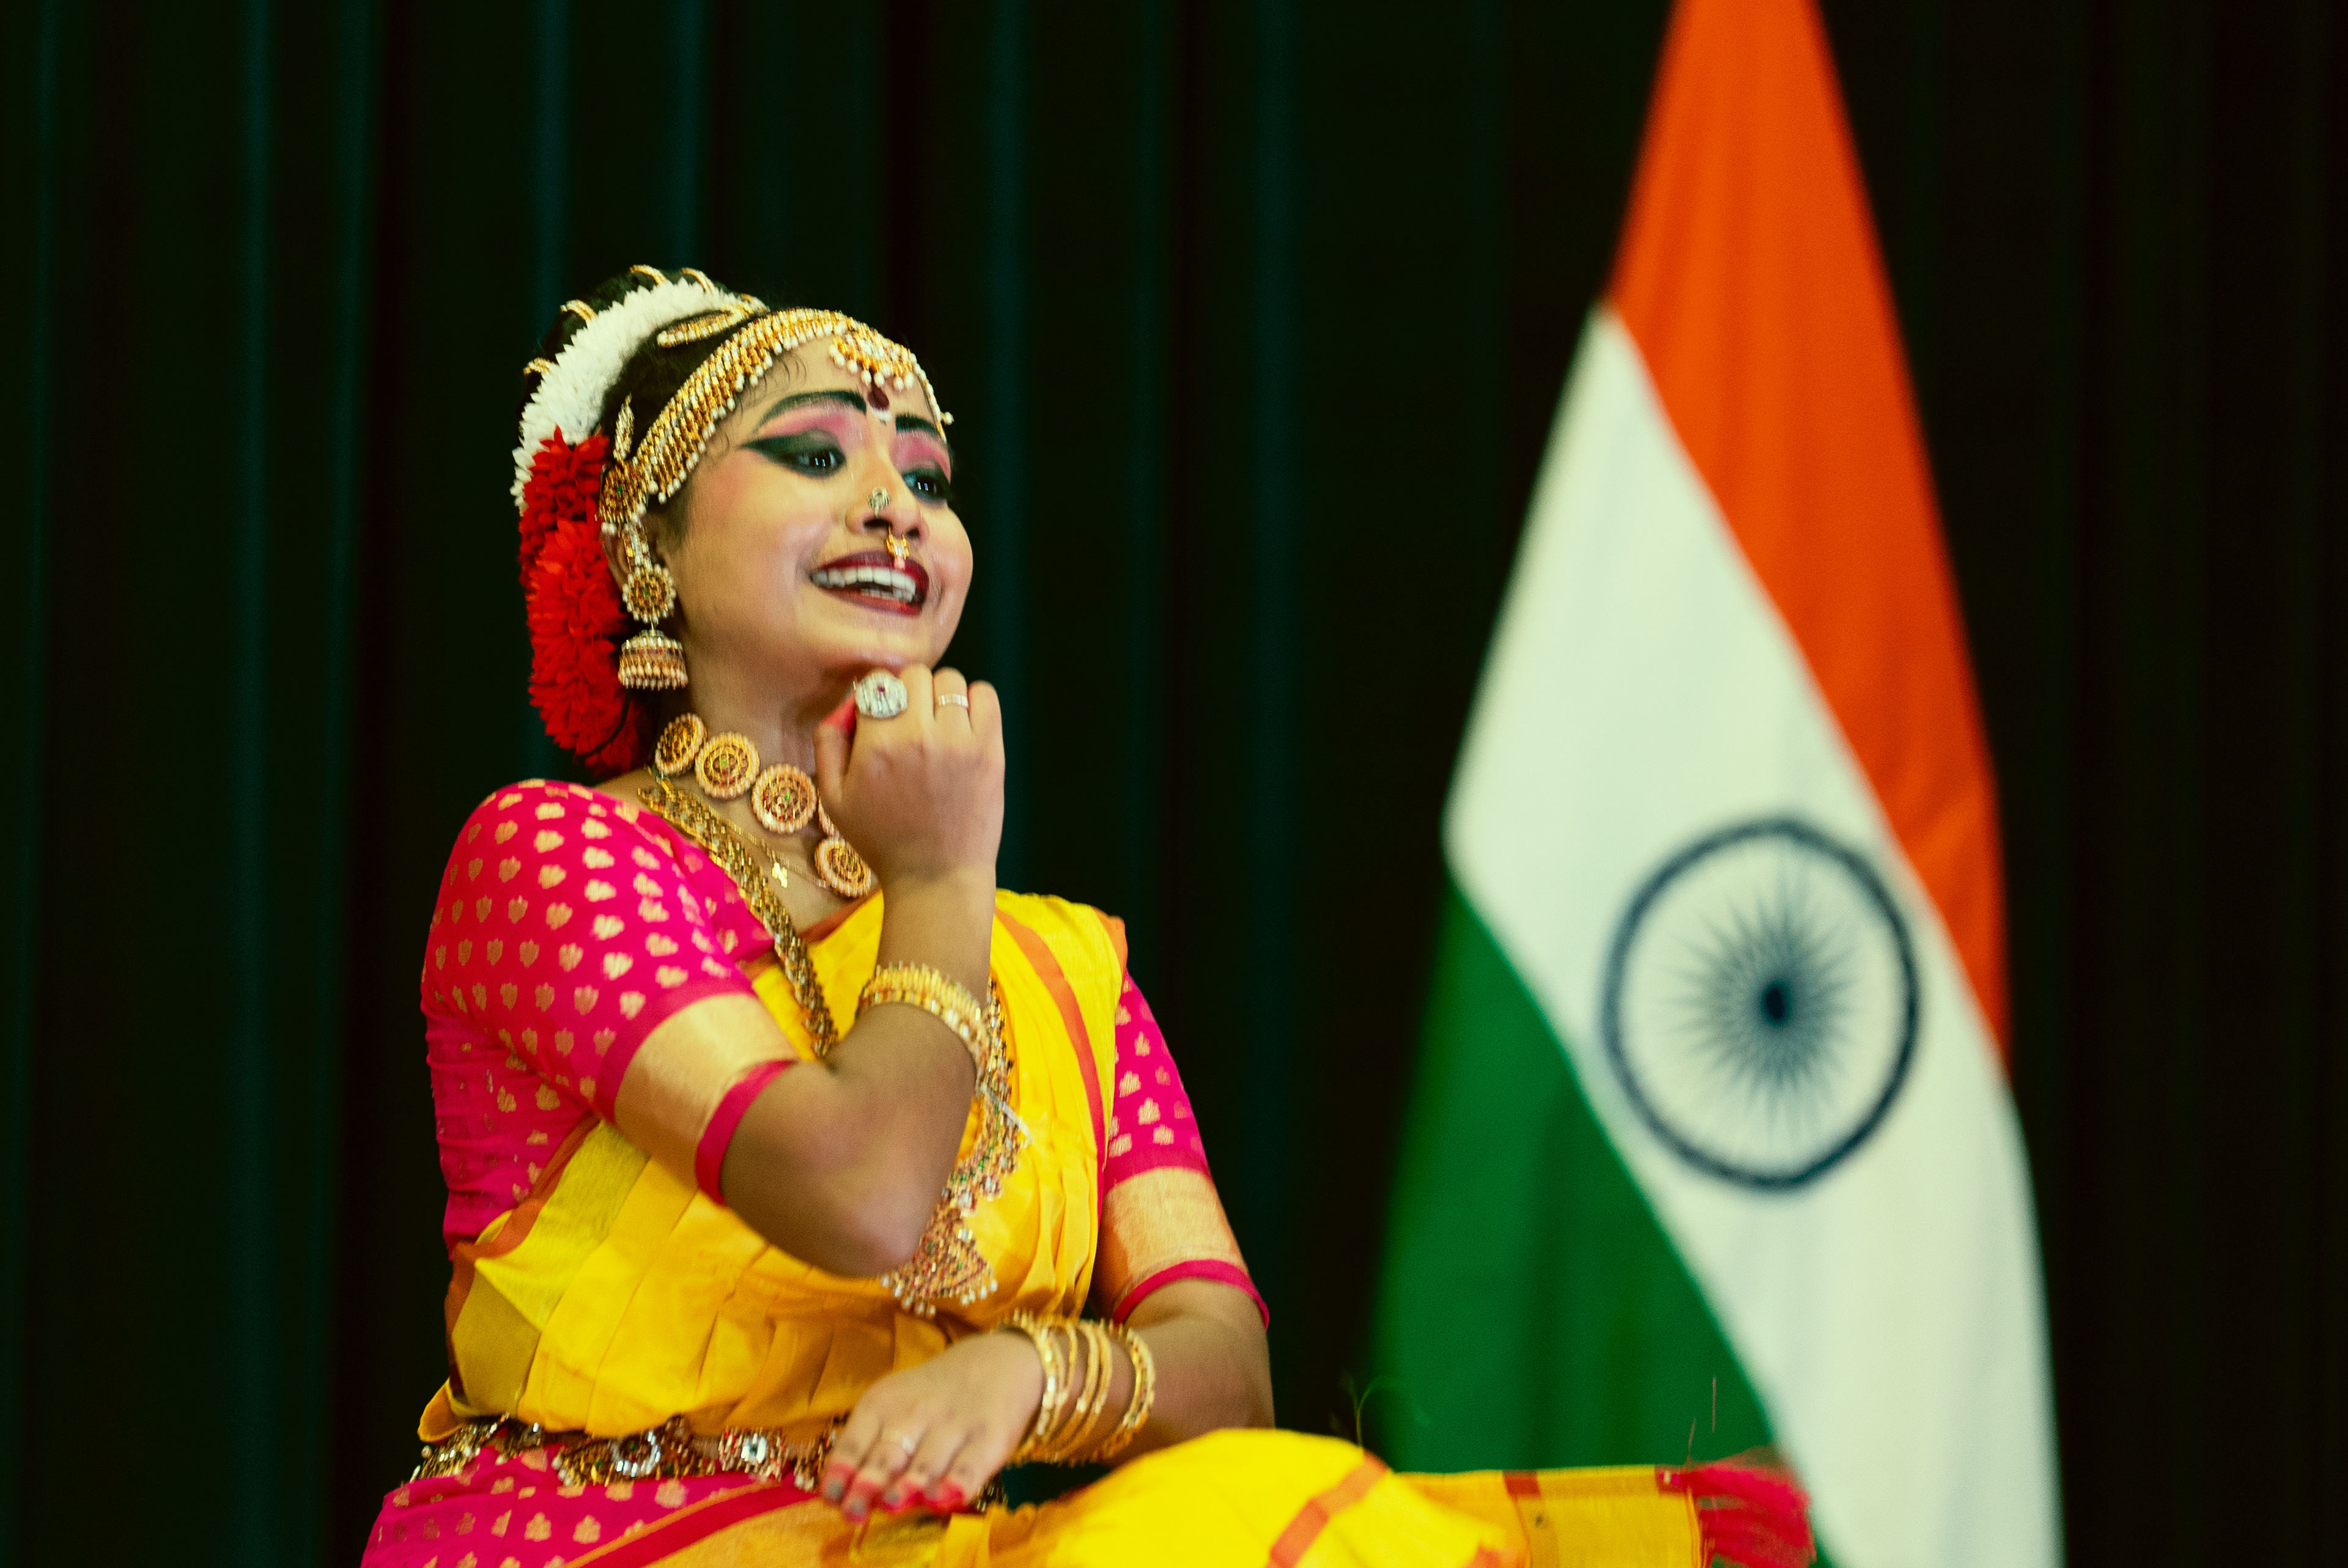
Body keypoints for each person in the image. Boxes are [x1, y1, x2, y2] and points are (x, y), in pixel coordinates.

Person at [358, 265, 1809, 1568]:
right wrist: (939, 879)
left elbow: (1225, 1368)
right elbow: (856, 1194)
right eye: (814, 452)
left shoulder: (1058, 963)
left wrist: (1034, 1376)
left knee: (1275, 1505)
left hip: (922, 1545)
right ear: (645, 548)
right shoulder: (556, 858)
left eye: (928, 475)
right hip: (594, 1542)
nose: (895, 504)